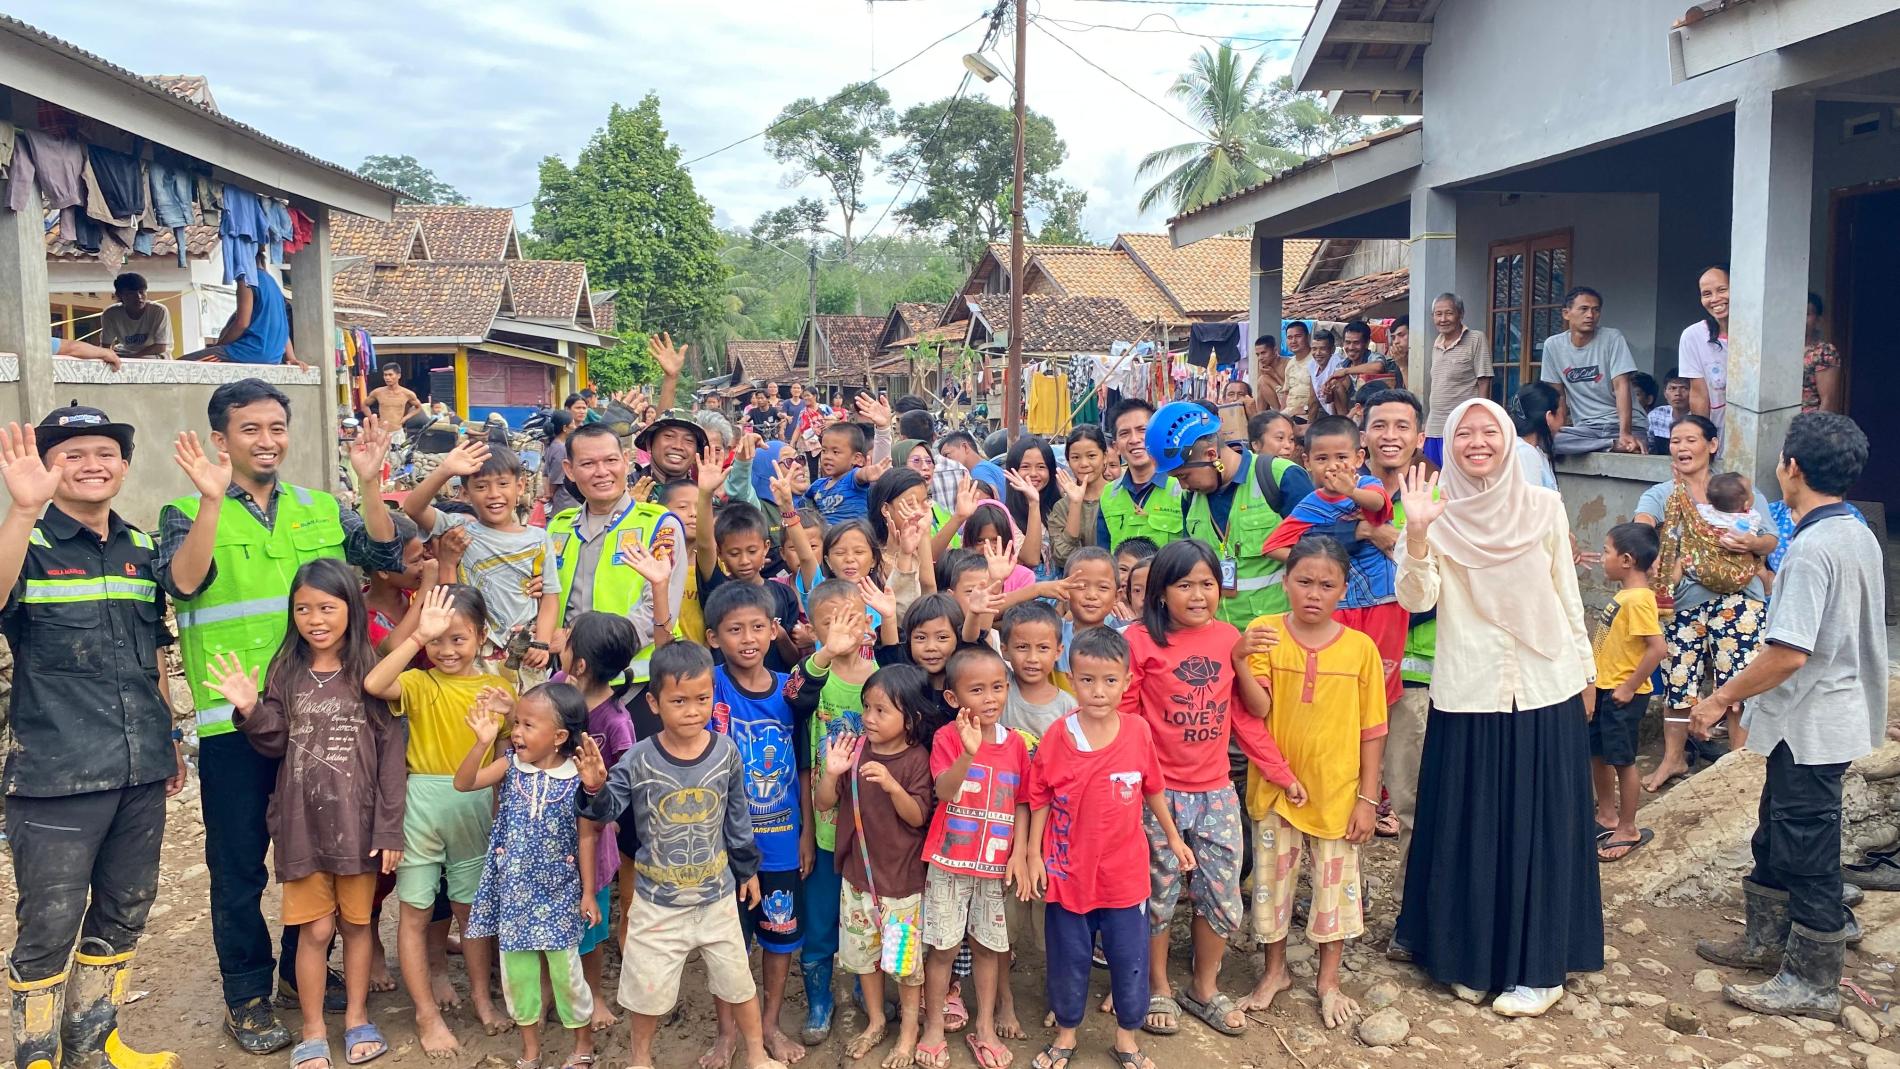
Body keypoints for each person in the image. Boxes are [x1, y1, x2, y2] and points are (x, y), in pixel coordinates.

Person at [156, 379, 400, 1052]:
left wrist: (371, 485)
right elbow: (182, 580)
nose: (267, 440)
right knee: (239, 865)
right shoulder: (183, 509)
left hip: (325, 718)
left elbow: (382, 554)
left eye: (276, 427)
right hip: (233, 721)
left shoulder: (322, 506)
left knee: (316, 851)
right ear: (220, 438)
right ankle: (248, 993)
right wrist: (210, 501)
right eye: (250, 429)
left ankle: (302, 969)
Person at [1393, 398, 1599, 1019]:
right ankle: (1469, 957)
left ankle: (1540, 969)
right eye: (1464, 434)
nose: (1476, 442)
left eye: (1489, 432)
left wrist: (1586, 671)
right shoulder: (1434, 514)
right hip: (1470, 687)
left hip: (1544, 685)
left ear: (1510, 441)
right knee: (1471, 823)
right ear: (1448, 445)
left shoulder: (1544, 508)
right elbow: (1415, 597)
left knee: (1540, 824)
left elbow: (1568, 594)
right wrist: (1420, 531)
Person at [0, 410, 186, 1069]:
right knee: (48, 924)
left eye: (104, 452)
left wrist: (169, 734)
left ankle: (91, 1043)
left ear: (125, 464)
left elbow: (154, 652)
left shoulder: (138, 546)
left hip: (138, 765)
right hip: (56, 773)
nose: (90, 464)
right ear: (49, 467)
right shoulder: (29, 545)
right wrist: (23, 511)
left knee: (124, 910)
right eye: (71, 454)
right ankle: (36, 1055)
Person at [1688, 413, 1884, 1019]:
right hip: (1820, 716)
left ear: (1791, 468)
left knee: (1807, 845)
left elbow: (1788, 654)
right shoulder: (1858, 533)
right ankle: (1765, 939)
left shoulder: (1813, 547)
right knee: (1778, 828)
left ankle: (1814, 978)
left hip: (1813, 720)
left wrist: (1721, 697)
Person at [212, 560, 405, 1069]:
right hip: (302, 826)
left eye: (326, 607)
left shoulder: (374, 673)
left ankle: (358, 1016)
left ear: (351, 610)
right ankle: (314, 1027)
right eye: (302, 608)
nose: (314, 618)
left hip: (361, 827)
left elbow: (391, 759)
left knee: (359, 925)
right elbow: (274, 742)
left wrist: (389, 827)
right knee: (316, 931)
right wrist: (251, 709)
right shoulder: (285, 669)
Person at [575, 644, 786, 1069]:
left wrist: (748, 870)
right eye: (678, 701)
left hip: (717, 897)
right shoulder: (638, 759)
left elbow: (737, 816)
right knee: (646, 991)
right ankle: (641, 1058)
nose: (692, 710)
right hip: (657, 903)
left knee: (738, 982)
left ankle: (757, 1055)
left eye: (702, 699)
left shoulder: (726, 752)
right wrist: (595, 788)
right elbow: (604, 814)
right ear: (654, 702)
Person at [1121, 540, 1297, 1037]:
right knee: (1157, 892)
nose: (1199, 595)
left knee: (1219, 891)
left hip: (1216, 791)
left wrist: (1280, 772)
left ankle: (1204, 988)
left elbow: (1248, 716)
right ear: (1160, 594)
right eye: (1185, 585)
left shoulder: (1228, 638)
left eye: (1208, 584)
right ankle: (1157, 986)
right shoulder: (1138, 642)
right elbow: (1127, 720)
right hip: (1158, 794)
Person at [1021, 626, 1185, 1069]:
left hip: (1124, 877)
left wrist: (1171, 835)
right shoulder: (1058, 735)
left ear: (1127, 681)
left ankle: (1127, 1039)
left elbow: (1153, 788)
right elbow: (1039, 797)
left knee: (1130, 959)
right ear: (1071, 680)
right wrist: (1034, 855)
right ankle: (1067, 1035)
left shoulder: (1138, 732)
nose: (1098, 691)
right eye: (1087, 680)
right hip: (1067, 872)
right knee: (1068, 958)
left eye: (1110, 680)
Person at [364, 584, 515, 1052]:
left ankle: (481, 1000)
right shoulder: (417, 683)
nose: (446, 650)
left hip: (474, 808)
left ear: (481, 636)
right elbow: (373, 683)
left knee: (471, 914)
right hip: (421, 806)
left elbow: (516, 745)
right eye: (437, 640)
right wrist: (414, 638)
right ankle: (427, 1015)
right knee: (415, 911)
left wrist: (512, 714)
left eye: (458, 638)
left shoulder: (498, 690)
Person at [1240, 537, 1383, 1029]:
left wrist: (1367, 798)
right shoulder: (1263, 634)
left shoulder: (1360, 648)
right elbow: (1254, 710)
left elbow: (1373, 730)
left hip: (1338, 791)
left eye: (1326, 584)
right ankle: (1274, 971)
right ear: (1285, 582)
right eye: (1303, 581)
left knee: (1334, 888)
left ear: (1344, 590)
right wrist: (1241, 661)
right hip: (1275, 786)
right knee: (1272, 884)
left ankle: (1328, 981)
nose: (1313, 594)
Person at [455, 682, 600, 1069]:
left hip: (560, 891)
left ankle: (582, 1045)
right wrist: (482, 742)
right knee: (517, 974)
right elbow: (464, 782)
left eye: (527, 725)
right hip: (514, 892)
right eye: (516, 722)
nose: (516, 732)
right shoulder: (509, 764)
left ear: (558, 737)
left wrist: (588, 892)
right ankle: (531, 1052)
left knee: (566, 972)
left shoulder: (577, 779)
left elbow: (588, 837)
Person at [1633, 414, 1776, 792]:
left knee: (1739, 679)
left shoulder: (1739, 489)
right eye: (1676, 440)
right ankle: (1673, 759)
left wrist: (1750, 544)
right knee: (1680, 681)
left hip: (1739, 597)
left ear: (1712, 445)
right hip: (1685, 600)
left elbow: (1770, 539)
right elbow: (1643, 522)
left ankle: (1738, 760)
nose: (1682, 447)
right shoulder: (1663, 494)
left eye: (1691, 440)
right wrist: (1648, 542)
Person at [702, 583, 809, 1067]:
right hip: (724, 844)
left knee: (779, 935)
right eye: (735, 629)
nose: (748, 638)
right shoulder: (711, 685)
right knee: (728, 942)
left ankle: (768, 1024)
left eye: (758, 627)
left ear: (773, 631)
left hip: (783, 838)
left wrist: (806, 832)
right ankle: (726, 1032)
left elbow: (804, 765)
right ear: (714, 637)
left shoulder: (790, 688)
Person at [914, 646, 1031, 1069]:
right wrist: (968, 751)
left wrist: (1019, 852)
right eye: (977, 690)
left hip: (994, 868)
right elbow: (944, 791)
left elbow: (1022, 801)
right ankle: (931, 1027)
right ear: (953, 698)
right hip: (949, 865)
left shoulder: (1016, 744)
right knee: (942, 949)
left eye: (997, 687)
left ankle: (983, 1028)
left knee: (987, 947)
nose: (990, 698)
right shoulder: (948, 738)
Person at [814, 664, 935, 1068]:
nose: (868, 717)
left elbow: (918, 816)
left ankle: (908, 1032)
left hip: (901, 884)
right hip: (857, 879)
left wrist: (891, 783)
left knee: (903, 965)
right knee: (864, 957)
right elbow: (823, 803)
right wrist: (831, 774)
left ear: (911, 718)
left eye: (881, 710)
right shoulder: (853, 748)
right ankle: (877, 1020)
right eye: (867, 707)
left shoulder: (917, 759)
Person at [787, 580, 879, 1046]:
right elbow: (794, 698)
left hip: (873, 829)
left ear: (868, 621)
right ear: (815, 627)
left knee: (870, 912)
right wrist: (823, 655)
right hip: (823, 823)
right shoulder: (812, 676)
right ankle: (820, 999)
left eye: (852, 617)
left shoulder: (882, 672)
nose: (843, 629)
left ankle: (870, 992)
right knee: (820, 918)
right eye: (830, 621)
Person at [1263, 415, 1405, 706]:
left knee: (1379, 683)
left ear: (1358, 457)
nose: (1332, 466)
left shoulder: (1368, 484)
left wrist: (1351, 492)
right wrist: (1318, 564)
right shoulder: (1311, 504)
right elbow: (1274, 546)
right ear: (1307, 462)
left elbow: (1379, 505)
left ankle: (1373, 745)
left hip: (1384, 599)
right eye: (1322, 458)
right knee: (1338, 679)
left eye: (1342, 457)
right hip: (1338, 604)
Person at [1355, 390, 1436, 893]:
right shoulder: (1339, 497)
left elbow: (1444, 593)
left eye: (1401, 426)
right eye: (1379, 425)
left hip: (1413, 671)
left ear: (1419, 438)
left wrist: (1387, 539)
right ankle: (1344, 902)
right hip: (1348, 670)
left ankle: (1413, 909)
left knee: (1410, 796)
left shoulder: (1440, 500)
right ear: (1363, 437)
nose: (1390, 436)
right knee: (1347, 792)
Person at [547, 422, 689, 698]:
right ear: (569, 470)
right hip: (569, 683)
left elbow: (657, 610)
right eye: (588, 463)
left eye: (611, 460)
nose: (602, 472)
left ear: (626, 461)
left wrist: (590, 649)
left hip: (636, 681)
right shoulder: (558, 528)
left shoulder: (659, 525)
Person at [1143, 400, 1315, 628]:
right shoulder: (1191, 499)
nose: (1183, 486)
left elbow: (1319, 556)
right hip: (1220, 639)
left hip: (1276, 636)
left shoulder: (1280, 477)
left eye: (1184, 476)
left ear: (1211, 454)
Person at [403, 438, 560, 683]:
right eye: (481, 486)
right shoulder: (460, 530)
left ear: (520, 486)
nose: (493, 494)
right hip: (474, 649)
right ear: (465, 493)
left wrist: (543, 641)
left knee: (525, 717)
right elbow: (413, 507)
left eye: (503, 484)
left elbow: (550, 595)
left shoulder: (538, 539)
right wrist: (446, 469)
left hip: (522, 649)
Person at [552, 612, 638, 1032]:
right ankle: (556, 990)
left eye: (567, 641)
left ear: (580, 663)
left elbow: (627, 779)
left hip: (594, 835)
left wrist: (613, 817)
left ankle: (594, 993)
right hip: (547, 832)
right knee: (550, 914)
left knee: (592, 923)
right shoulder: (552, 693)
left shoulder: (616, 721)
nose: (560, 644)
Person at [1589, 523, 1667, 863]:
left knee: (1622, 760)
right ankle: (1606, 815)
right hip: (1607, 688)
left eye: (1606, 551)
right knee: (1598, 754)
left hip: (1623, 694)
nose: (1602, 558)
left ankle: (1628, 827)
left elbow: (1657, 649)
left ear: (1625, 559)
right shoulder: (1625, 596)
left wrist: (1629, 686)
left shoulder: (1638, 600)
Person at [184, 252, 307, 368]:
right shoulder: (274, 284)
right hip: (273, 358)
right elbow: (282, 327)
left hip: (250, 352)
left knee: (179, 364)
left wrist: (220, 345)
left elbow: (242, 323)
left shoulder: (247, 279)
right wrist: (291, 357)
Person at [1096, 400, 1186, 554]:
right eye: (1125, 433)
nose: (1134, 440)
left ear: (1157, 435)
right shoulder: (1108, 494)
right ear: (1116, 447)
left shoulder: (1182, 487)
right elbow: (1104, 554)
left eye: (1142, 430)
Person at [1422, 293, 1493, 467]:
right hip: (1434, 426)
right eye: (1438, 314)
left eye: (1449, 313)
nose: (1443, 319)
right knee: (1434, 478)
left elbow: (1484, 380)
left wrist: (1480, 419)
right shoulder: (1436, 343)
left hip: (1461, 425)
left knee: (1458, 478)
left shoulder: (1476, 338)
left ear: (1460, 314)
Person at [1680, 265, 1730, 434]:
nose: (1715, 299)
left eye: (1722, 290)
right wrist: (1705, 438)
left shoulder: (1758, 333)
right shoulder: (1693, 336)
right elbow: (1699, 394)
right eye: (1707, 294)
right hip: (1719, 432)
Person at [1049, 425, 1107, 571]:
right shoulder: (1062, 507)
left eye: (1091, 456)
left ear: (1104, 456)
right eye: (1075, 457)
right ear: (1068, 461)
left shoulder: (1119, 495)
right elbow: (1062, 556)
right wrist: (1075, 503)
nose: (1084, 464)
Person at [99, 272, 172, 359]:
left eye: (141, 292)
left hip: (154, 355)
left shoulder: (159, 311)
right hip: (125, 354)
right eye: (131, 293)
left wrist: (134, 357)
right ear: (119, 295)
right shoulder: (111, 314)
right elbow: (105, 346)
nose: (138, 297)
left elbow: (161, 346)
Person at [1511, 382, 1564, 491]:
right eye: (1561, 413)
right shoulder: (1525, 453)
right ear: (1549, 417)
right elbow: (1531, 504)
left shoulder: (1532, 450)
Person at [1331, 319, 1405, 393]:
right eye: (1347, 342)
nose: (1351, 347)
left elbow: (1378, 367)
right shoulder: (1342, 365)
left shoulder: (1374, 357)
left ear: (1366, 343)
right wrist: (1328, 393)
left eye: (1356, 343)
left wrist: (1346, 371)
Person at [1801, 292, 1842, 414]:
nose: (1802, 317)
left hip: (1809, 425)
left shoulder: (1823, 352)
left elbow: (1828, 401)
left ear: (1818, 320)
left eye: (1808, 314)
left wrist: (1817, 432)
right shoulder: (1785, 349)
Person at [1282, 322, 1318, 424]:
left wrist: (1306, 409)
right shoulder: (1290, 363)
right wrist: (1281, 415)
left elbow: (1319, 396)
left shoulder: (1316, 360)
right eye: (1289, 337)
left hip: (1306, 415)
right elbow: (1286, 393)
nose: (1293, 341)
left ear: (1307, 337)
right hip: (1289, 413)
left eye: (1298, 336)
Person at [1649, 371, 1690, 455]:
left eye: (1684, 388)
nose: (1678, 394)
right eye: (1672, 388)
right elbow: (1647, 446)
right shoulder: (1656, 415)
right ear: (1665, 393)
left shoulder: (1700, 415)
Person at [1253, 334, 1285, 410]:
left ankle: (1280, 415)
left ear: (1275, 351)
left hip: (1288, 404)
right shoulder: (1263, 366)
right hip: (1273, 407)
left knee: (1263, 379)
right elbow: (1260, 394)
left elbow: (1291, 392)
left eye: (1263, 353)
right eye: (1258, 354)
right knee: (1262, 381)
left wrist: (1274, 375)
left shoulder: (1287, 364)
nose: (1260, 358)